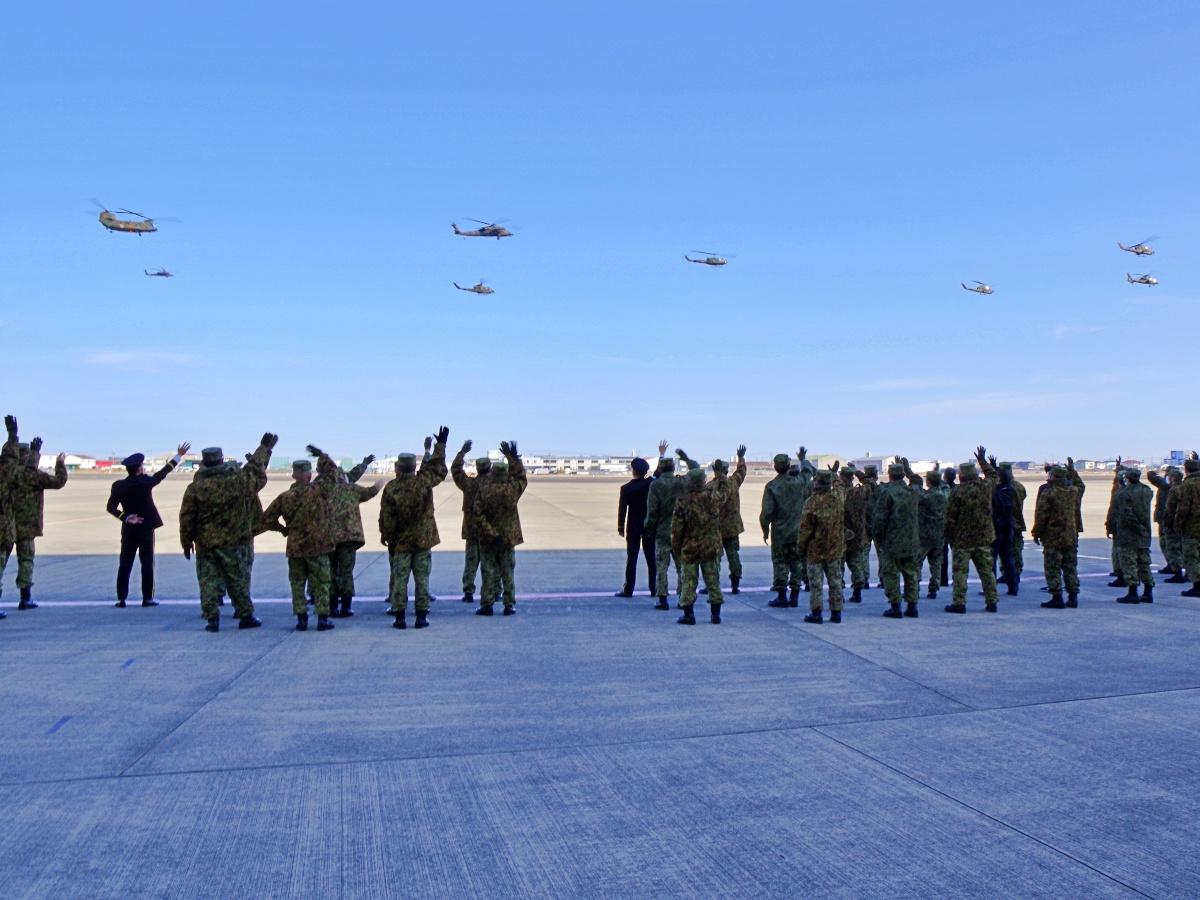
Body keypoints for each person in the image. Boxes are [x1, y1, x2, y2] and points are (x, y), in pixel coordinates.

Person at [179, 434, 276, 632]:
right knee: (237, 579)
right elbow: (255, 473)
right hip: (233, 540)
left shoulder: (196, 487)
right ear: (222, 460)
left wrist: (186, 542)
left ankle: (212, 619)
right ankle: (245, 615)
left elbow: (187, 517)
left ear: (204, 462)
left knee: (207, 581)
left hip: (205, 541)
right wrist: (264, 448)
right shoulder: (236, 481)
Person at [379, 428, 449, 629]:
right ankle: (421, 617)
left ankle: (399, 617)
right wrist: (440, 446)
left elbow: (387, 517)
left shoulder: (391, 488)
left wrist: (388, 537)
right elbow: (440, 470)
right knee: (422, 579)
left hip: (401, 542)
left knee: (400, 579)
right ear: (413, 466)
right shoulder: (423, 482)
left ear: (398, 467)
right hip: (422, 539)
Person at [107, 442, 190, 607]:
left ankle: (121, 598)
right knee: (147, 563)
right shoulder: (145, 482)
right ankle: (147, 598)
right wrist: (178, 456)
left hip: (129, 528)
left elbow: (110, 507)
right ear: (139, 468)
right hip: (145, 528)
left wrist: (126, 517)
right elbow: (162, 473)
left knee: (125, 562)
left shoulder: (119, 486)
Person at [260, 458, 337, 632]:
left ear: (294, 475)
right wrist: (323, 456)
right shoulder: (320, 491)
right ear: (309, 475)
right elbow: (334, 475)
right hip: (318, 546)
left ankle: (301, 619)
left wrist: (282, 529)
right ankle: (322, 618)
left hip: (295, 547)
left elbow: (265, 519)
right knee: (322, 583)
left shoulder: (285, 497)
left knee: (297, 583)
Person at [309, 445, 380, 617]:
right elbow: (366, 488)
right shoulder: (350, 488)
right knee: (346, 572)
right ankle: (346, 607)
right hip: (349, 538)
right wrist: (379, 484)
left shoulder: (319, 488)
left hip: (329, 537)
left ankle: (332, 606)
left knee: (331, 571)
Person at [7, 424, 68, 609]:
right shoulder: (31, 475)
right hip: (26, 526)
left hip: (6, 525)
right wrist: (60, 464)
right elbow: (59, 481)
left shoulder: (7, 474)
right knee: (26, 561)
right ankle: (25, 598)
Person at [473, 441, 527, 615]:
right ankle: (509, 604)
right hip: (508, 538)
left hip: (489, 539)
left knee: (488, 572)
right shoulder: (512, 488)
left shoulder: (484, 489)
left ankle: (487, 604)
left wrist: (491, 533)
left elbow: (478, 514)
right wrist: (513, 457)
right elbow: (521, 476)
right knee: (507, 572)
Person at [644, 444, 700, 610]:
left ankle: (662, 598)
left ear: (660, 469)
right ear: (673, 467)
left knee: (661, 566)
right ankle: (683, 598)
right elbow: (696, 470)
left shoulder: (656, 486)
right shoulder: (682, 482)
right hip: (680, 531)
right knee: (681, 566)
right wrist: (685, 458)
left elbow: (652, 511)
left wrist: (649, 528)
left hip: (662, 531)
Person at [943, 447, 999, 613]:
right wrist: (982, 461)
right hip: (983, 537)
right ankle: (992, 601)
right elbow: (994, 475)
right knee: (986, 571)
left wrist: (950, 537)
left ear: (962, 476)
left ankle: (959, 603)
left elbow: (950, 518)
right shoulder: (985, 487)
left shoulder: (958, 492)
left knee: (960, 572)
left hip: (963, 539)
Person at [670, 467, 723, 624]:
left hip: (690, 546)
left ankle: (689, 615)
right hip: (711, 546)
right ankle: (716, 615)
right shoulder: (714, 497)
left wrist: (676, 547)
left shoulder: (683, 500)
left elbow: (677, 528)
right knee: (713, 580)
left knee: (689, 581)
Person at [872, 462, 921, 619]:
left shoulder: (887, 493)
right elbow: (918, 482)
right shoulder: (913, 491)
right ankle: (912, 606)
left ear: (890, 475)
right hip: (911, 540)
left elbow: (879, 519)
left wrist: (877, 536)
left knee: (891, 574)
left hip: (892, 541)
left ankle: (895, 606)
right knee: (911, 574)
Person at [797, 469, 846, 624]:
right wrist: (835, 474)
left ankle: (816, 613)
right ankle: (836, 612)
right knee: (835, 580)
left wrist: (801, 547)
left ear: (817, 482)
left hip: (816, 550)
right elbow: (840, 487)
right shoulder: (837, 497)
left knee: (816, 583)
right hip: (834, 547)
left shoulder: (811, 502)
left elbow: (805, 529)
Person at [761, 452, 807, 608]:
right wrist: (802, 460)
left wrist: (765, 530)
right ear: (788, 465)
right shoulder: (799, 481)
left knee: (780, 563)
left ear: (775, 467)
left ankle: (782, 596)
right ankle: (794, 596)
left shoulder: (772, 486)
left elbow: (766, 512)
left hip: (780, 533)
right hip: (797, 531)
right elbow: (809, 473)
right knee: (796, 563)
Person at [1034, 465, 1082, 608]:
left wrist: (1037, 533)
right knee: (1070, 567)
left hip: (1053, 535)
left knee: (1052, 567)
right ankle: (1073, 597)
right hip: (1070, 535)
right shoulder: (1073, 491)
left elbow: (1042, 515)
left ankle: (1057, 596)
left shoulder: (1049, 493)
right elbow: (1077, 508)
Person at [452, 440, 492, 603]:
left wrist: (462, 452)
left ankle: (468, 591)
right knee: (490, 564)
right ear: (489, 468)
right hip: (490, 531)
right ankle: (493, 591)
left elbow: (455, 470)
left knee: (471, 562)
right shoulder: (495, 485)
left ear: (477, 469)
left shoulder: (469, 484)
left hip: (472, 530)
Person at [1109, 467, 1154, 604]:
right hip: (1144, 533)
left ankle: (1132, 592)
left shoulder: (1123, 493)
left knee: (1129, 563)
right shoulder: (1146, 491)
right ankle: (1148, 592)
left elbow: (1127, 514)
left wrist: (1137, 528)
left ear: (1127, 479)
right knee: (1144, 563)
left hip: (1129, 534)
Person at [707, 445, 747, 595]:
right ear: (725, 470)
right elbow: (742, 471)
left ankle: (712, 583)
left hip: (715, 528)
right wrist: (741, 457)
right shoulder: (733, 482)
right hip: (732, 528)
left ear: (714, 469)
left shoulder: (710, 486)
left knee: (714, 558)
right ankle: (735, 583)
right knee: (733, 555)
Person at [615, 456, 655, 597]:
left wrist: (620, 527)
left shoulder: (626, 489)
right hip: (649, 525)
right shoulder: (651, 483)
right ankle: (654, 588)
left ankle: (628, 589)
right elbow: (660, 472)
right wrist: (661, 454)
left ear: (633, 471)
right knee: (651, 558)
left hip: (633, 526)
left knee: (632, 558)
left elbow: (622, 510)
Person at [1166, 454, 1200, 597]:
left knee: (1192, 557)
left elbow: (1183, 508)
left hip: (1192, 527)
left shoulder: (1187, 485)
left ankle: (1197, 586)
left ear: (1186, 470)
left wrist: (1177, 525)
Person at [1149, 466, 1186, 581]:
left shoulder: (1167, 486)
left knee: (1169, 544)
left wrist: (1153, 472)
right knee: (1169, 544)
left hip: (1168, 519)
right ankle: (1172, 565)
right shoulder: (1180, 486)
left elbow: (1152, 477)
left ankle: (1176, 568)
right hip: (1169, 519)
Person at [991, 456, 1019, 596]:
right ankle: (1013, 587)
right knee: (1008, 560)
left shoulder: (996, 493)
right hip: (1008, 529)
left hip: (996, 529)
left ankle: (990, 589)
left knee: (992, 560)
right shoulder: (1011, 490)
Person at [918, 468, 948, 600]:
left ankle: (914, 588)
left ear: (928, 481)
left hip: (924, 535)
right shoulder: (945, 495)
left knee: (916, 563)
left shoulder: (925, 497)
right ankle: (934, 588)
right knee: (936, 563)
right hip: (939, 534)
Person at [841, 466, 869, 602]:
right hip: (857, 534)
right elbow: (871, 486)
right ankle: (857, 593)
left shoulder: (838, 493)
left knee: (838, 566)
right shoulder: (859, 492)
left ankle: (837, 594)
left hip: (842, 533)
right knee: (856, 564)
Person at [938, 466, 957, 587]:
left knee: (943, 554)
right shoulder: (958, 489)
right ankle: (956, 578)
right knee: (957, 554)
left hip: (944, 526)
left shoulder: (941, 490)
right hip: (955, 526)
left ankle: (943, 579)